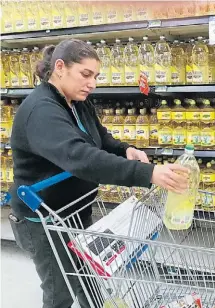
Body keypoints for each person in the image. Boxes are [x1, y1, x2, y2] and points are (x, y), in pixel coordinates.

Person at [8, 39, 189, 308]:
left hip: (73, 212)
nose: (91, 83)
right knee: (61, 291)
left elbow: (99, 139)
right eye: (85, 74)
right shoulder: (41, 110)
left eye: (95, 76)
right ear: (60, 67)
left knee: (88, 280)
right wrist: (147, 173)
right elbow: (82, 158)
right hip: (42, 220)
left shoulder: (77, 102)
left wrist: (125, 149)